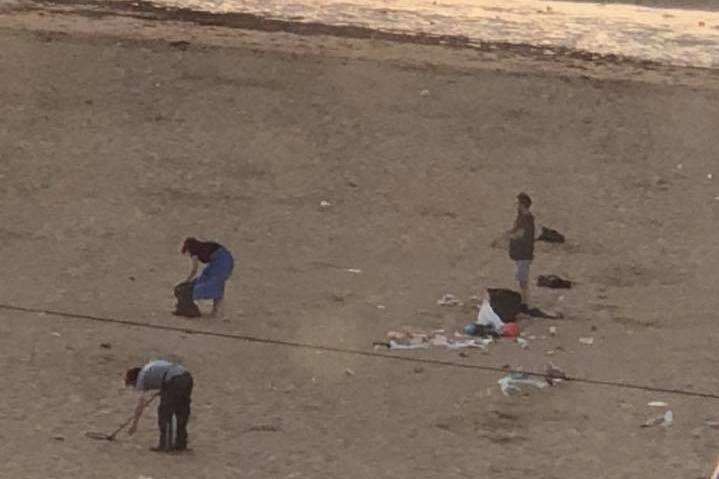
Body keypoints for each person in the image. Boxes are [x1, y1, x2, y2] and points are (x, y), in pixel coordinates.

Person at [125, 360, 194, 452]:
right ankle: (181, 443)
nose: (134, 387)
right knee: (181, 411)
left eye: (132, 384)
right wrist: (165, 389)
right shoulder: (149, 368)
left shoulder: (142, 377)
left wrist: (134, 424)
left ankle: (165, 445)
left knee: (164, 413)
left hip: (174, 381)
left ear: (134, 379)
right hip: (187, 377)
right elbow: (165, 378)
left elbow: (140, 404)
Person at [178, 237, 234, 318]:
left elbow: (194, 269)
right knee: (217, 284)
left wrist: (187, 280)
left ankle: (215, 310)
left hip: (220, 262)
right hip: (224, 259)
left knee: (211, 284)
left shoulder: (194, 252)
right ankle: (216, 311)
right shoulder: (203, 246)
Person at [502, 193, 535, 309]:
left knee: (522, 280)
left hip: (524, 253)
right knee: (521, 278)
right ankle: (523, 301)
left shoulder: (526, 219)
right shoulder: (522, 216)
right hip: (521, 253)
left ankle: (525, 302)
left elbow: (520, 234)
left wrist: (508, 236)